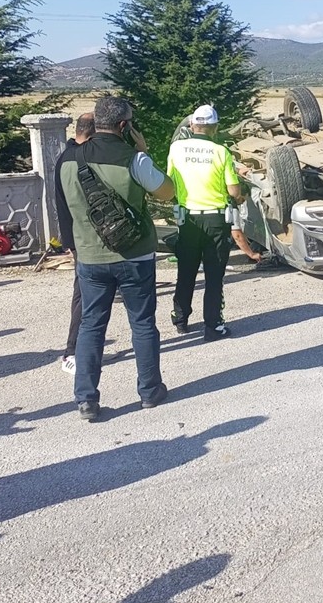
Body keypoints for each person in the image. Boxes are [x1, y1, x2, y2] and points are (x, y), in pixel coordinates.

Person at [58, 96, 175, 421]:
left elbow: (68, 209)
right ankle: (150, 391)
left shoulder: (68, 161)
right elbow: (167, 192)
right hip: (134, 256)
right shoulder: (134, 160)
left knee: (91, 326)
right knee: (142, 323)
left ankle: (86, 399)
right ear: (124, 126)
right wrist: (144, 151)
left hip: (90, 259)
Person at [166, 103, 244, 340]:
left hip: (187, 219)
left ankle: (180, 319)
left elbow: (170, 183)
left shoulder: (176, 149)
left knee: (186, 271)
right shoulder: (221, 152)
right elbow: (233, 190)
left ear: (192, 125)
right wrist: (239, 195)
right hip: (215, 221)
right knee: (214, 276)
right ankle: (213, 326)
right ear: (214, 128)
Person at [54, 112, 95, 373]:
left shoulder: (64, 158)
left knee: (85, 294)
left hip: (76, 239)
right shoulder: (79, 158)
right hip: (85, 239)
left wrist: (67, 241)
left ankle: (79, 349)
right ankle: (73, 351)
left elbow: (60, 205)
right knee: (84, 295)